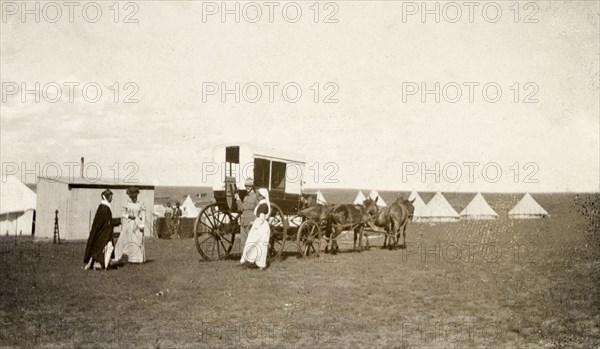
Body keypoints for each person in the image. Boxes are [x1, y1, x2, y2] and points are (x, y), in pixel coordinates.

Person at [83, 189, 121, 270]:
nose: (112, 198)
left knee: (100, 249)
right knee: (103, 249)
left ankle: (97, 264)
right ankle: (99, 265)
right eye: (110, 196)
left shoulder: (103, 207)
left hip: (102, 232)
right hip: (103, 233)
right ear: (106, 197)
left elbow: (107, 222)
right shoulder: (104, 208)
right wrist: (121, 220)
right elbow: (108, 222)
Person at [240, 188, 271, 270]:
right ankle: (252, 261)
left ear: (262, 196)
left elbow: (261, 218)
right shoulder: (261, 203)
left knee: (259, 244)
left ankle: (260, 265)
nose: (258, 196)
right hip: (258, 225)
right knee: (254, 244)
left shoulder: (264, 205)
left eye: (259, 195)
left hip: (261, 227)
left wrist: (255, 225)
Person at [115, 186, 146, 263]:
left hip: (137, 222)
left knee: (137, 240)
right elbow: (122, 213)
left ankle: (136, 259)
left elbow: (143, 215)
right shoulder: (127, 203)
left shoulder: (141, 203)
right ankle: (123, 257)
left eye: (135, 196)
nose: (133, 197)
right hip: (128, 222)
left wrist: (142, 225)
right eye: (131, 196)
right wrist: (128, 216)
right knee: (125, 238)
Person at [235, 177, 258, 253]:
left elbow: (258, 210)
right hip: (243, 222)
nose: (247, 187)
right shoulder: (246, 197)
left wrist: (255, 222)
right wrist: (238, 199)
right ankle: (244, 260)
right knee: (243, 242)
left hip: (251, 222)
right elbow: (242, 208)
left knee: (251, 242)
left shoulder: (256, 197)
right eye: (246, 186)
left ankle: (251, 260)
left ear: (252, 187)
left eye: (249, 186)